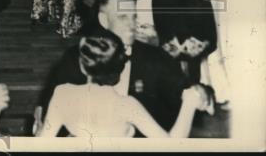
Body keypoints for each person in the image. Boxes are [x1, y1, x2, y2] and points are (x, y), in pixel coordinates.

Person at [37, 34, 208, 137]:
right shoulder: (127, 105)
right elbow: (170, 146)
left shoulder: (62, 93)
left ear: (82, 66)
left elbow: (42, 145)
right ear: (120, 67)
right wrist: (189, 104)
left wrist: (38, 125)